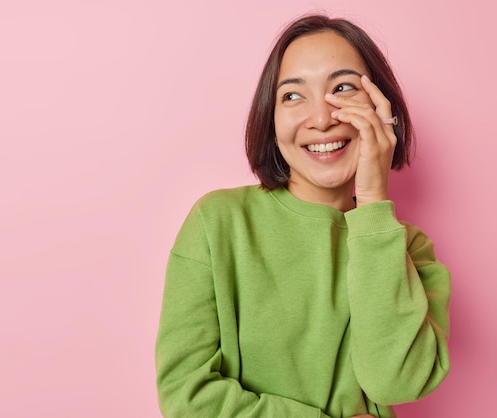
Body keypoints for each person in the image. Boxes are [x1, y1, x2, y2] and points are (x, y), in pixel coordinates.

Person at [155, 14, 450, 418]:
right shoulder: (218, 222)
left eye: (343, 88)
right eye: (293, 96)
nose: (322, 118)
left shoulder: (406, 248)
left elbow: (397, 382)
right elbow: (186, 396)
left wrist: (372, 203)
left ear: (382, 108)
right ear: (271, 121)